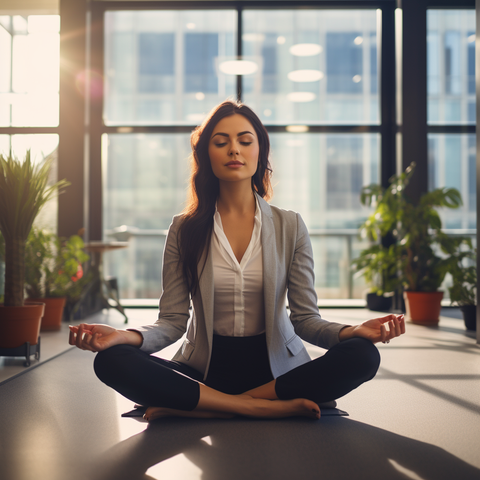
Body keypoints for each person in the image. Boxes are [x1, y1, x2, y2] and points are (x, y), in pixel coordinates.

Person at [69, 100, 405, 421]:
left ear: (260, 151)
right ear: (206, 155)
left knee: (363, 354)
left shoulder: (290, 226)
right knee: (112, 360)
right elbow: (171, 321)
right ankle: (254, 408)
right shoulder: (184, 229)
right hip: (203, 370)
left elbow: (305, 320)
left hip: (276, 373)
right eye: (221, 142)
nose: (234, 150)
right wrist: (122, 336)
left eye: (245, 141)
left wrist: (353, 331)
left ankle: (202, 406)